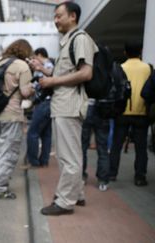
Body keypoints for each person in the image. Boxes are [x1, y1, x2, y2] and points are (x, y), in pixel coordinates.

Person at [37, 2, 98, 215]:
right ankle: (77, 194)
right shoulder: (70, 40)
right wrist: (44, 72)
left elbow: (86, 73)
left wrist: (52, 82)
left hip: (69, 106)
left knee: (69, 157)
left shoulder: (80, 39)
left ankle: (65, 202)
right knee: (69, 154)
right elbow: (66, 75)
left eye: (59, 15)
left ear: (73, 16)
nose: (56, 20)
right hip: (63, 105)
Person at [0, 39, 34, 199]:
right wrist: (34, 87)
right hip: (12, 113)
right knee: (9, 151)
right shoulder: (22, 66)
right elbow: (25, 92)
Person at [109, 41, 151, 186]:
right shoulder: (148, 68)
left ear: (125, 52)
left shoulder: (120, 68)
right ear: (141, 51)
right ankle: (140, 177)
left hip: (122, 112)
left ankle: (112, 173)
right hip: (142, 113)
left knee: (116, 145)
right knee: (141, 148)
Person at [26, 47, 54, 168]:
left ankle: (33, 162)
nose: (34, 61)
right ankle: (44, 160)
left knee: (32, 133)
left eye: (34, 57)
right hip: (51, 103)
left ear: (39, 55)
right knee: (46, 134)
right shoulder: (51, 64)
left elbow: (37, 86)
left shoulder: (45, 66)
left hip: (43, 103)